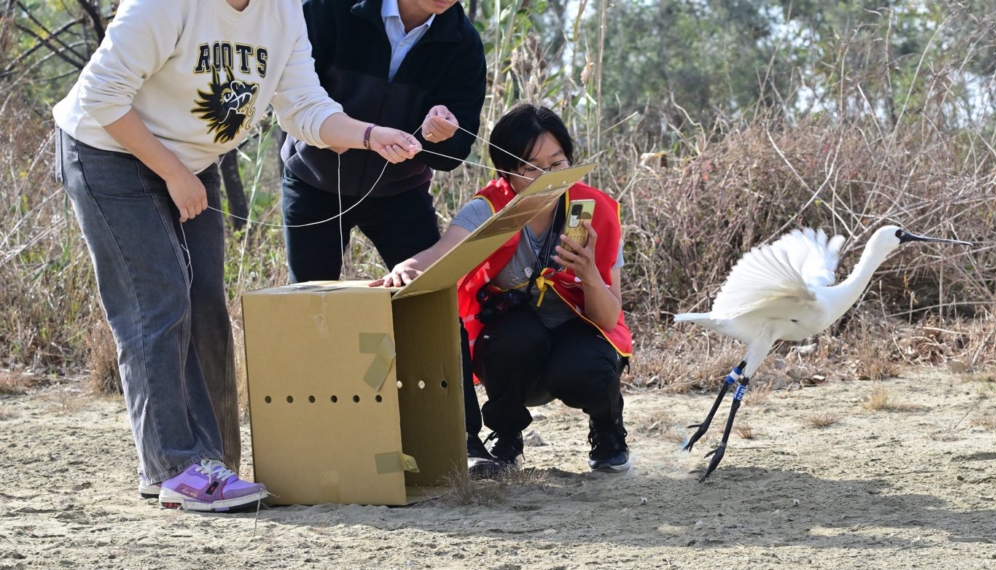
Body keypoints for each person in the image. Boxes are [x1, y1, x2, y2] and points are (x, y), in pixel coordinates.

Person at [53, 0, 421, 512]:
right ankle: (174, 468)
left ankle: (213, 464)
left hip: (189, 159)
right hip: (107, 149)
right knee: (158, 301)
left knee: (205, 304)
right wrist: (174, 175)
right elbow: (100, 95)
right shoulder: (164, 6)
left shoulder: (283, 11)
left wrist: (368, 136)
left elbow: (303, 107)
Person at [374, 103, 633, 474]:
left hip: (580, 334)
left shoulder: (593, 209)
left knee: (586, 367)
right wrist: (406, 267)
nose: (548, 176)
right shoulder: (489, 208)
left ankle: (608, 430)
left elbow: (609, 318)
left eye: (557, 163)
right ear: (506, 172)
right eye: (531, 168)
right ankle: (506, 435)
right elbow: (441, 254)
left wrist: (589, 273)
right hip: (516, 339)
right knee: (513, 338)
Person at [279, 0, 487, 284]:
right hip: (314, 181)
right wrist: (342, 135)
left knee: (430, 300)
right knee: (310, 309)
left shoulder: (464, 44)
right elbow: (292, 96)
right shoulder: (329, 7)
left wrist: (438, 135)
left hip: (400, 192)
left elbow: (455, 152)